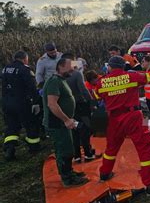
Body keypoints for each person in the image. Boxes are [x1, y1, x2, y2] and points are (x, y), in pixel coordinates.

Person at [95, 56, 150, 194]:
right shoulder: (132, 76)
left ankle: (104, 173)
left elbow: (97, 95)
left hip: (114, 119)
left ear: (110, 67)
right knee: (144, 147)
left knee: (111, 148)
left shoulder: (101, 82)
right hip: (133, 117)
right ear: (123, 66)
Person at [43, 58, 89, 187]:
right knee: (65, 150)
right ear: (61, 67)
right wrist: (66, 119)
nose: (73, 70)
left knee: (65, 148)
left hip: (62, 122)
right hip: (58, 123)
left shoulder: (61, 81)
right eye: (70, 67)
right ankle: (68, 179)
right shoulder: (54, 82)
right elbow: (52, 104)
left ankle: (68, 172)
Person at [1, 51, 41, 160]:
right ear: (24, 59)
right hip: (22, 102)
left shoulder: (5, 69)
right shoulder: (25, 70)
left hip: (7, 102)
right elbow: (32, 88)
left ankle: (10, 148)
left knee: (11, 126)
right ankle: (34, 147)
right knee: (31, 124)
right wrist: (36, 102)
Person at [62, 53, 97, 163]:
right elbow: (83, 90)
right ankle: (88, 153)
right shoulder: (76, 74)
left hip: (67, 107)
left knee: (74, 130)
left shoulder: (58, 75)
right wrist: (91, 102)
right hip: (80, 105)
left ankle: (76, 155)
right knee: (84, 129)